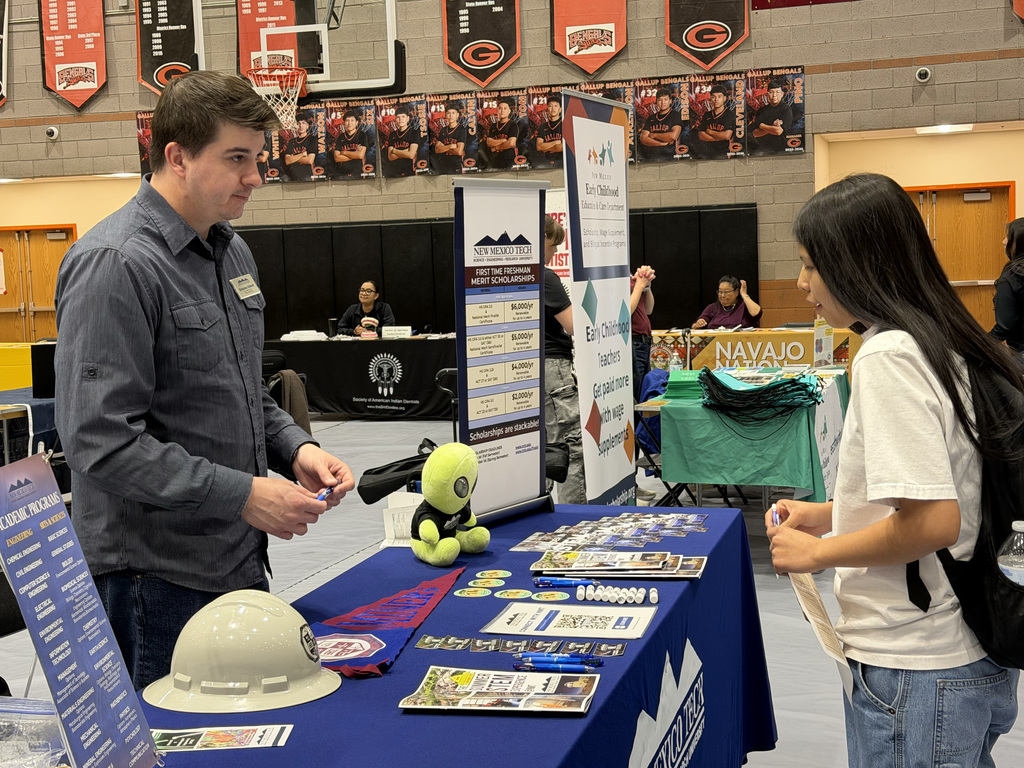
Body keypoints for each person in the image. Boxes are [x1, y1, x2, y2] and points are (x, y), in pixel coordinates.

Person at [53, 71, 355, 689]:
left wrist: (296, 447)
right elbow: (98, 440)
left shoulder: (231, 252)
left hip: (234, 560)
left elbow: (242, 387)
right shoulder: (117, 264)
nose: (256, 177)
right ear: (177, 157)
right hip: (153, 579)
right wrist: (243, 494)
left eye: (259, 158)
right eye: (237, 158)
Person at [766, 173, 1020, 767]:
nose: (803, 284)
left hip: (916, 664)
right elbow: (946, 486)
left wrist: (817, 553)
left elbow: (932, 521)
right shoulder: (939, 338)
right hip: (961, 652)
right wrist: (831, 516)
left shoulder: (889, 356)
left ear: (857, 265)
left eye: (811, 265)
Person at [543, 215, 586, 504]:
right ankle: (574, 517)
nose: (556, 251)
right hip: (553, 368)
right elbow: (573, 325)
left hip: (533, 367)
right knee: (569, 444)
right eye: (553, 244)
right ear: (543, 238)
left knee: (544, 444)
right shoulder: (545, 276)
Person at [990, 216, 1024, 362]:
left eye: (1009, 237)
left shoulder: (1013, 275)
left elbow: (1005, 326)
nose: (1004, 241)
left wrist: (980, 344)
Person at [692, 275, 762, 329]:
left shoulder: (744, 306)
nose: (722, 295)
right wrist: (698, 323)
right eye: (720, 292)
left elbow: (756, 313)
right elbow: (695, 326)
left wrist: (744, 295)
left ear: (736, 292)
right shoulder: (712, 307)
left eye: (726, 292)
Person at [630, 265, 656, 404]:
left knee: (644, 393)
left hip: (644, 342)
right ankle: (635, 425)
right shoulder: (618, 280)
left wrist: (647, 286)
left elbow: (648, 309)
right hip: (633, 342)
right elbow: (624, 312)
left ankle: (641, 425)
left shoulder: (630, 277)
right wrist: (639, 285)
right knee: (636, 395)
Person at [751, 79, 793, 156]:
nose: (774, 95)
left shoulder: (786, 109)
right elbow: (755, 133)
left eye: (777, 92)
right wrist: (773, 126)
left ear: (782, 94)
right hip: (763, 151)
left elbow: (778, 131)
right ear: (767, 94)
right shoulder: (762, 111)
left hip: (782, 151)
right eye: (771, 92)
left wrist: (762, 126)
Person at [638, 88, 683, 161]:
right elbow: (643, 139)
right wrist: (662, 144)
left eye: (665, 99)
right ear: (656, 102)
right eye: (660, 100)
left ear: (670, 101)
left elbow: (673, 136)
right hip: (651, 158)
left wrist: (653, 135)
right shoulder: (651, 118)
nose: (663, 103)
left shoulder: (675, 115)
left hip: (669, 158)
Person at [695, 84, 735, 159]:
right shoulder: (707, 115)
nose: (716, 99)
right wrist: (719, 136)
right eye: (713, 97)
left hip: (723, 154)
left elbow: (727, 136)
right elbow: (701, 135)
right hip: (706, 153)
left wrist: (709, 132)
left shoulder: (730, 114)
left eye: (719, 97)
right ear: (710, 99)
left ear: (724, 98)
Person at [431, 101, 467, 175]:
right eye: (448, 113)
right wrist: (450, 146)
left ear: (457, 115)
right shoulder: (443, 130)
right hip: (443, 165)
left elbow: (459, 151)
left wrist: (443, 148)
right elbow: (437, 149)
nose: (451, 116)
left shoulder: (461, 129)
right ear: (445, 115)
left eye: (453, 113)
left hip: (456, 167)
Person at [332, 110, 369, 179]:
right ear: (344, 123)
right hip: (343, 174)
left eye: (352, 120)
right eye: (347, 121)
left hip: (358, 173)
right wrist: (355, 154)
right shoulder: (340, 137)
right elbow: (337, 158)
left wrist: (344, 152)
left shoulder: (362, 135)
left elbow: (360, 155)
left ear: (356, 122)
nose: (349, 123)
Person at [384, 105, 419, 177]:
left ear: (408, 118)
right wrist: (406, 151)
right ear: (395, 119)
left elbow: (411, 155)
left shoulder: (414, 133)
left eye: (403, 117)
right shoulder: (392, 135)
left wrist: (395, 151)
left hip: (409, 172)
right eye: (398, 117)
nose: (400, 119)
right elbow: (390, 157)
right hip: (394, 172)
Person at [283, 110, 319, 181]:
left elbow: (309, 160)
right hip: (293, 176)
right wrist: (302, 154)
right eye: (298, 123)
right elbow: (287, 160)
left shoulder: (312, 139)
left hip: (307, 176)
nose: (301, 126)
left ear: (307, 126)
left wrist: (293, 158)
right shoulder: (292, 141)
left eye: (303, 123)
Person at [486, 99, 519, 170]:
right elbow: (489, 142)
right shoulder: (493, 126)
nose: (502, 111)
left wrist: (496, 148)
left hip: (508, 160)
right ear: (497, 111)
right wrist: (503, 140)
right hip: (494, 159)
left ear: (509, 111)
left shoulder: (512, 124)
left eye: (505, 108)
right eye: (500, 109)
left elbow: (511, 143)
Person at [532, 94, 563, 169]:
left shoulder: (565, 124)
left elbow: (562, 147)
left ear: (560, 109)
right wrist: (555, 142)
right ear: (547, 109)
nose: (553, 108)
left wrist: (545, 147)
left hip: (562, 163)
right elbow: (539, 147)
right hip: (546, 162)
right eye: (550, 106)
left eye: (556, 106)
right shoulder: (543, 126)